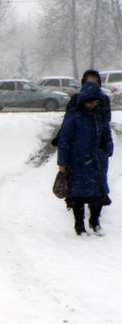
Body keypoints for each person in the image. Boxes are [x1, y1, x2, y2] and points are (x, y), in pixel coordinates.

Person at [57, 81, 114, 236]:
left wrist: (107, 150)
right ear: (83, 100)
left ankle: (95, 222)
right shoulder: (74, 115)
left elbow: (107, 134)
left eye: (95, 102)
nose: (92, 105)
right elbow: (64, 139)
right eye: (90, 101)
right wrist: (62, 162)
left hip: (96, 161)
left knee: (97, 194)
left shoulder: (100, 115)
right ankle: (79, 225)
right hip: (77, 161)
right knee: (77, 195)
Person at [51, 69, 111, 147]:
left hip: (96, 142)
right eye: (89, 83)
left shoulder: (103, 100)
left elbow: (106, 121)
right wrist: (60, 137)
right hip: (78, 141)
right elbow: (68, 120)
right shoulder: (76, 99)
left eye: (94, 83)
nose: (91, 86)